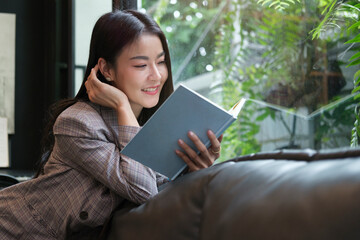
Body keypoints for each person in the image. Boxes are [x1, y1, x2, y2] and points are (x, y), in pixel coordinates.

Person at [0, 10, 222, 239]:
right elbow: (144, 191)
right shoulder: (77, 123)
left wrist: (194, 170)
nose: (156, 76)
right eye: (140, 65)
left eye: (161, 61)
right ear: (106, 69)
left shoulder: (154, 128)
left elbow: (161, 198)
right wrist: (122, 104)